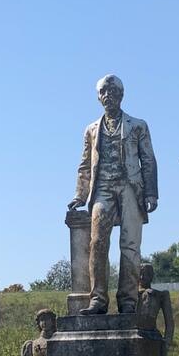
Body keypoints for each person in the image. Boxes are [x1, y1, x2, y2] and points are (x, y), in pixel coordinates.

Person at [68, 75, 158, 315]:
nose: (109, 96)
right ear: (99, 97)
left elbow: (148, 160)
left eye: (113, 91)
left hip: (130, 188)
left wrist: (151, 193)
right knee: (97, 243)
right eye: (104, 92)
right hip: (102, 189)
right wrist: (80, 195)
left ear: (121, 95)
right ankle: (98, 299)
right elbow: (85, 165)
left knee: (130, 245)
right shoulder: (91, 129)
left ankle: (128, 300)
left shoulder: (138, 125)